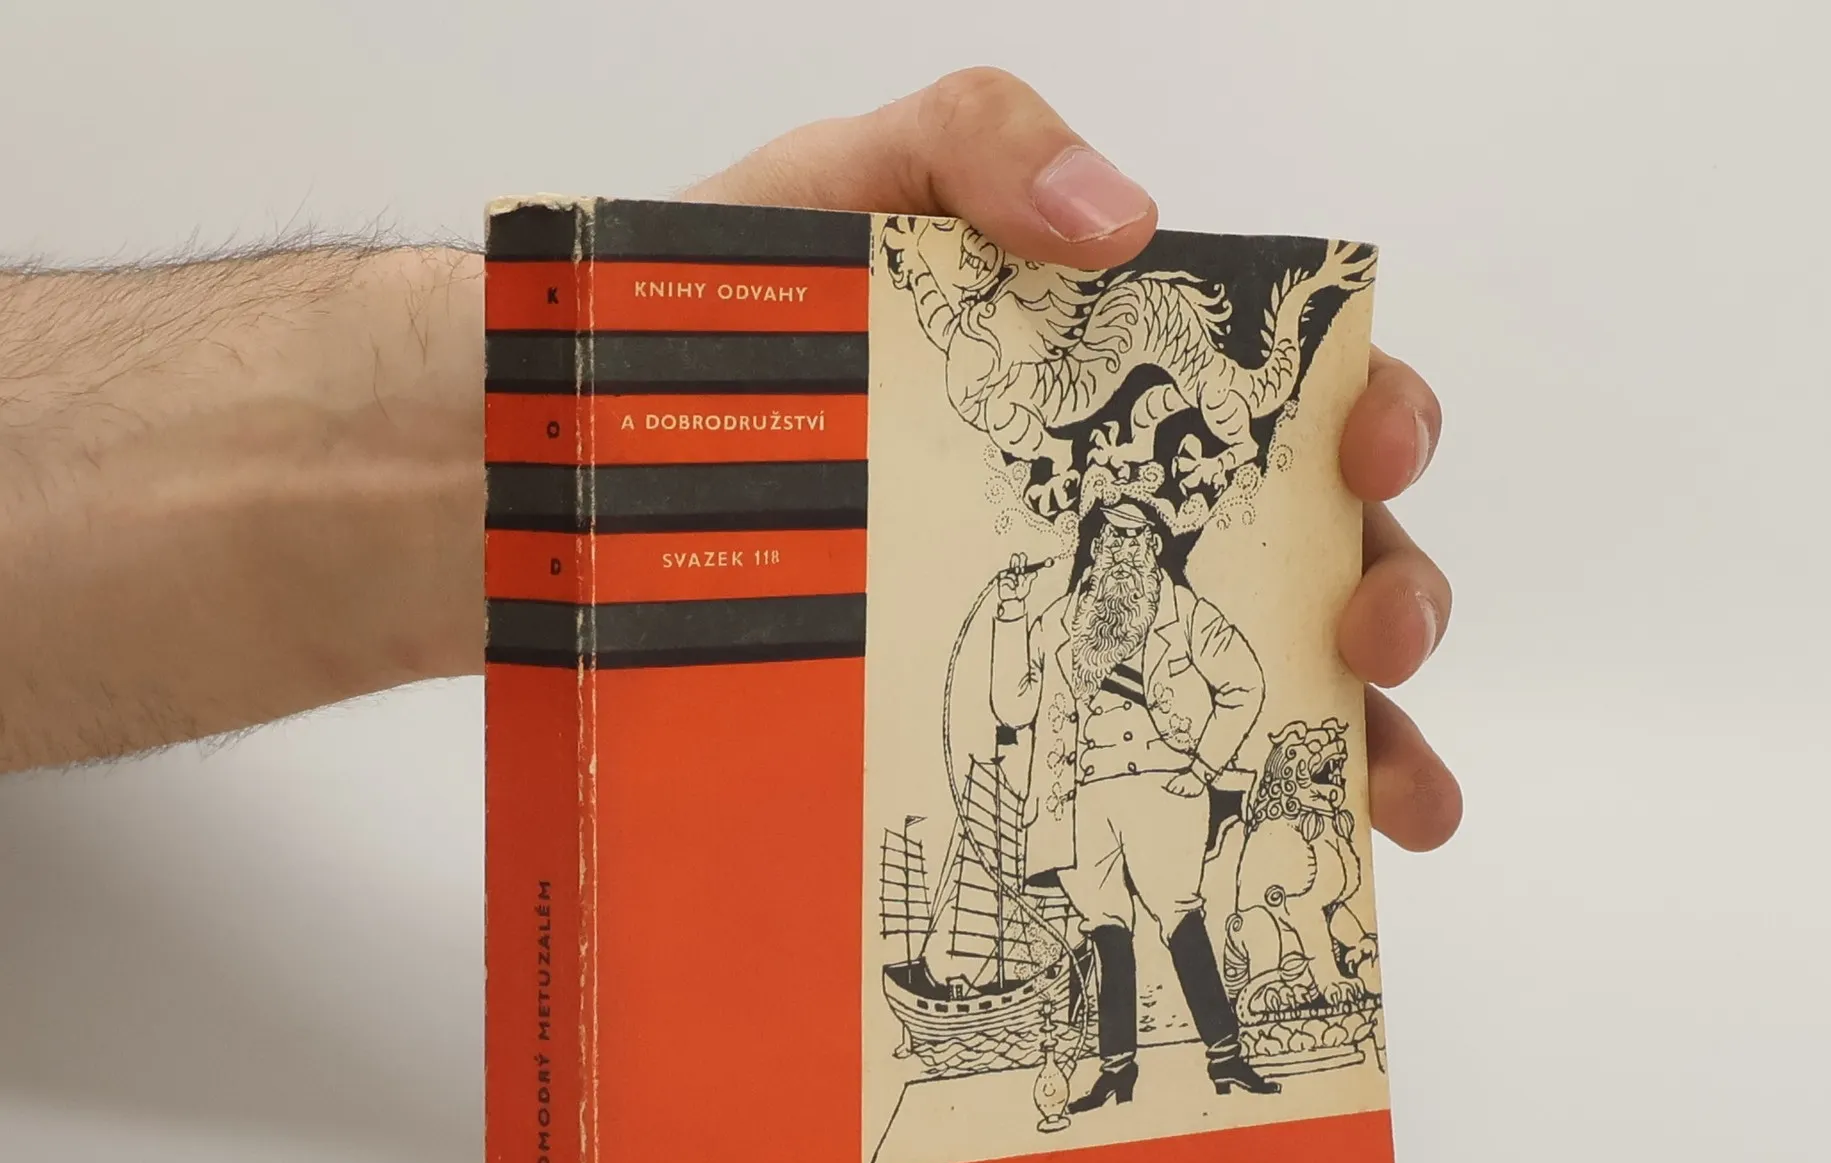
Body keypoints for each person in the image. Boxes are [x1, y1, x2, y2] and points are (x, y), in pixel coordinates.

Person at [0, 67, 1460, 870]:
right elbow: (1003, 714)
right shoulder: (1032, 608)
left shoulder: (1148, 600)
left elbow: (1200, 679)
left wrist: (578, 400)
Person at [993, 496, 1275, 1106]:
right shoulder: (1057, 622)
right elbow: (1013, 707)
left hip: (1161, 790)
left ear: (1154, 548)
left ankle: (1227, 1057)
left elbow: (1245, 683)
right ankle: (1117, 1071)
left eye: (1137, 538)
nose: (1124, 551)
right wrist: (1011, 613)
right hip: (1078, 799)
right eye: (1113, 539)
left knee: (1180, 918)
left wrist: (1204, 766)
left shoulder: (1183, 612)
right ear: (1095, 548)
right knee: (1106, 930)